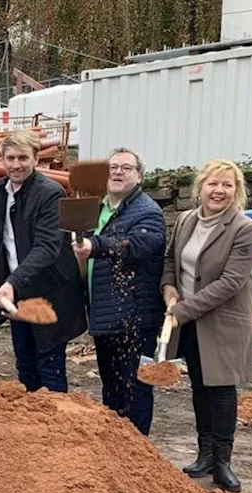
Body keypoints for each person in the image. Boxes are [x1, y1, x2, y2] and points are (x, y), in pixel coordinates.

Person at [161, 159, 252, 493]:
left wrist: (183, 310)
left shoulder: (245, 229)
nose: (219, 190)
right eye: (212, 183)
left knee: (220, 389)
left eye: (227, 185)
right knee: (200, 388)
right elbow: (170, 259)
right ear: (200, 187)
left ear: (237, 191)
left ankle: (222, 463)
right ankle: (204, 455)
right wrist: (169, 288)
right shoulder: (187, 220)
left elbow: (231, 282)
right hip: (188, 320)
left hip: (222, 322)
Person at [0, 130, 87, 392]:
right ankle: (33, 427)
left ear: (36, 159)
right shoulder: (0, 190)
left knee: (49, 364)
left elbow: (47, 247)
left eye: (22, 158)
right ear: (2, 159)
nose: (16, 165)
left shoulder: (51, 194)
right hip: (18, 291)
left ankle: (54, 426)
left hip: (49, 293)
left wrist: (12, 282)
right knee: (25, 363)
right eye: (10, 158)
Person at [72, 148, 166, 435]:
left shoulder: (148, 212)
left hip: (134, 319)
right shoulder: (96, 209)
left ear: (139, 176)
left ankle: (137, 454)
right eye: (113, 167)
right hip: (105, 314)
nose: (117, 172)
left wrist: (95, 247)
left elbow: (135, 246)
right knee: (112, 389)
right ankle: (116, 453)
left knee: (134, 389)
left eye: (126, 168)